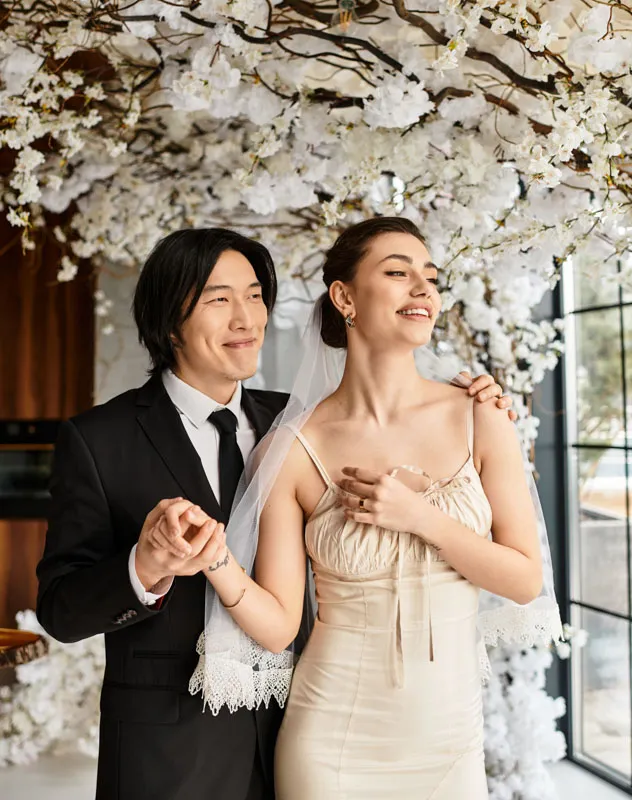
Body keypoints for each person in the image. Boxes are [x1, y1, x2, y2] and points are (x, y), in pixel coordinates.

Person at [36, 224, 512, 800]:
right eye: (219, 299)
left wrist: (482, 411)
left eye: (255, 296)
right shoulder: (99, 440)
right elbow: (61, 610)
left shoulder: (298, 422)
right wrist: (147, 564)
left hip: (310, 718)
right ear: (168, 322)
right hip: (174, 754)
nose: (246, 319)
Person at [154, 218, 560, 800]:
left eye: (431, 277)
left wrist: (422, 518)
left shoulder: (480, 415)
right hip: (332, 740)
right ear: (344, 297)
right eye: (397, 272)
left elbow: (523, 580)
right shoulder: (292, 448)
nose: (423, 288)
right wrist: (214, 559)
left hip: (451, 744)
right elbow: (277, 628)